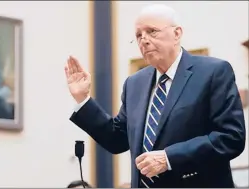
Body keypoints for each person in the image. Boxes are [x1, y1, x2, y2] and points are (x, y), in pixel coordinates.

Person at [64, 4, 246, 188]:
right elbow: (117, 139)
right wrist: (83, 99)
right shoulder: (134, 83)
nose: (144, 40)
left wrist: (168, 158)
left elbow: (231, 138)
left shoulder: (213, 72)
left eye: (152, 31)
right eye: (138, 35)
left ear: (177, 34)